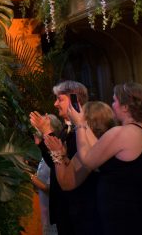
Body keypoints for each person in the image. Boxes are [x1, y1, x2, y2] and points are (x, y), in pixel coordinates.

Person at [46, 82, 142, 235]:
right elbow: (101, 154)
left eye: (115, 101)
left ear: (126, 107)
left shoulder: (122, 133)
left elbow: (88, 160)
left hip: (126, 218)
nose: (113, 106)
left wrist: (80, 124)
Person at [29, 80, 98, 235]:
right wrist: (42, 140)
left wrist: (47, 131)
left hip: (80, 209)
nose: (55, 104)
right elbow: (54, 164)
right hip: (65, 208)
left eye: (60, 99)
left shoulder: (85, 131)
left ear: (76, 100)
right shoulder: (65, 130)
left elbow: (72, 168)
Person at [29, 114, 63, 235]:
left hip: (53, 211)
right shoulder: (46, 154)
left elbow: (49, 188)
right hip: (46, 211)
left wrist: (29, 176)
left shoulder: (57, 154)